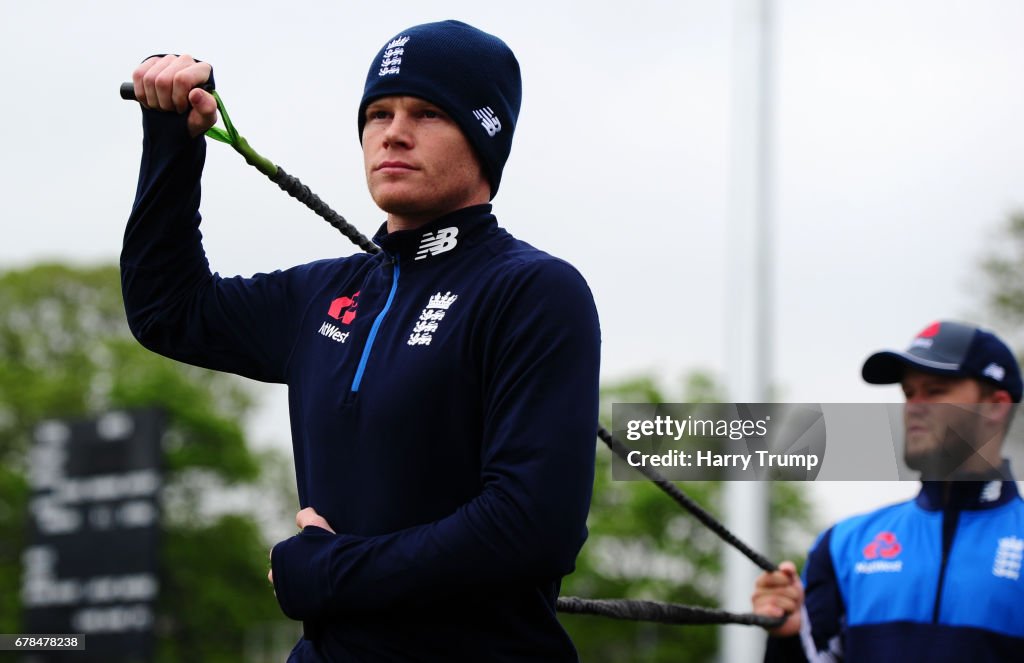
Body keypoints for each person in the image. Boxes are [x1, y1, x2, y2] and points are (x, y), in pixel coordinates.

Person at [121, 20, 601, 662]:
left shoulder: (534, 290)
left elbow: (533, 527)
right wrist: (171, 142)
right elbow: (167, 310)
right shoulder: (323, 293)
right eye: (378, 112)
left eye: (428, 112)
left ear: (486, 136)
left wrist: (330, 572)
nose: (393, 132)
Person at [752, 320, 1024, 662]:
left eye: (936, 391)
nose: (914, 407)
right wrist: (789, 638)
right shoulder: (843, 545)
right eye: (909, 393)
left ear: (996, 406)